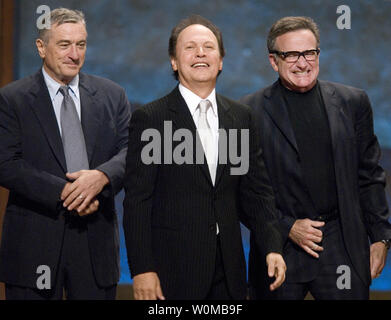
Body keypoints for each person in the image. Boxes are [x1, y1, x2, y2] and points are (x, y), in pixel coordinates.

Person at [123, 14, 286, 300]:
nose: (200, 53)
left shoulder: (240, 117)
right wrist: (142, 270)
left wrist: (272, 246)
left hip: (229, 271)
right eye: (190, 47)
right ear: (174, 61)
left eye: (209, 47)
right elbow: (138, 202)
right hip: (171, 272)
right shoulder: (151, 119)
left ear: (221, 60)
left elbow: (257, 193)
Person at [241, 16, 391, 300]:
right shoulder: (248, 112)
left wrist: (381, 238)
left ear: (318, 53)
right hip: (279, 247)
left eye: (309, 53)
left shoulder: (353, 102)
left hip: (341, 242)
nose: (303, 63)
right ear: (274, 61)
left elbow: (370, 175)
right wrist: (287, 227)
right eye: (291, 55)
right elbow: (242, 191)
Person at [0, 8, 131, 300]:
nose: (74, 54)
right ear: (41, 47)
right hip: (34, 243)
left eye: (81, 45)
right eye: (64, 45)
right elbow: (6, 163)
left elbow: (131, 152)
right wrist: (68, 192)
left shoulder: (112, 95)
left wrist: (100, 178)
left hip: (95, 241)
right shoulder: (12, 99)